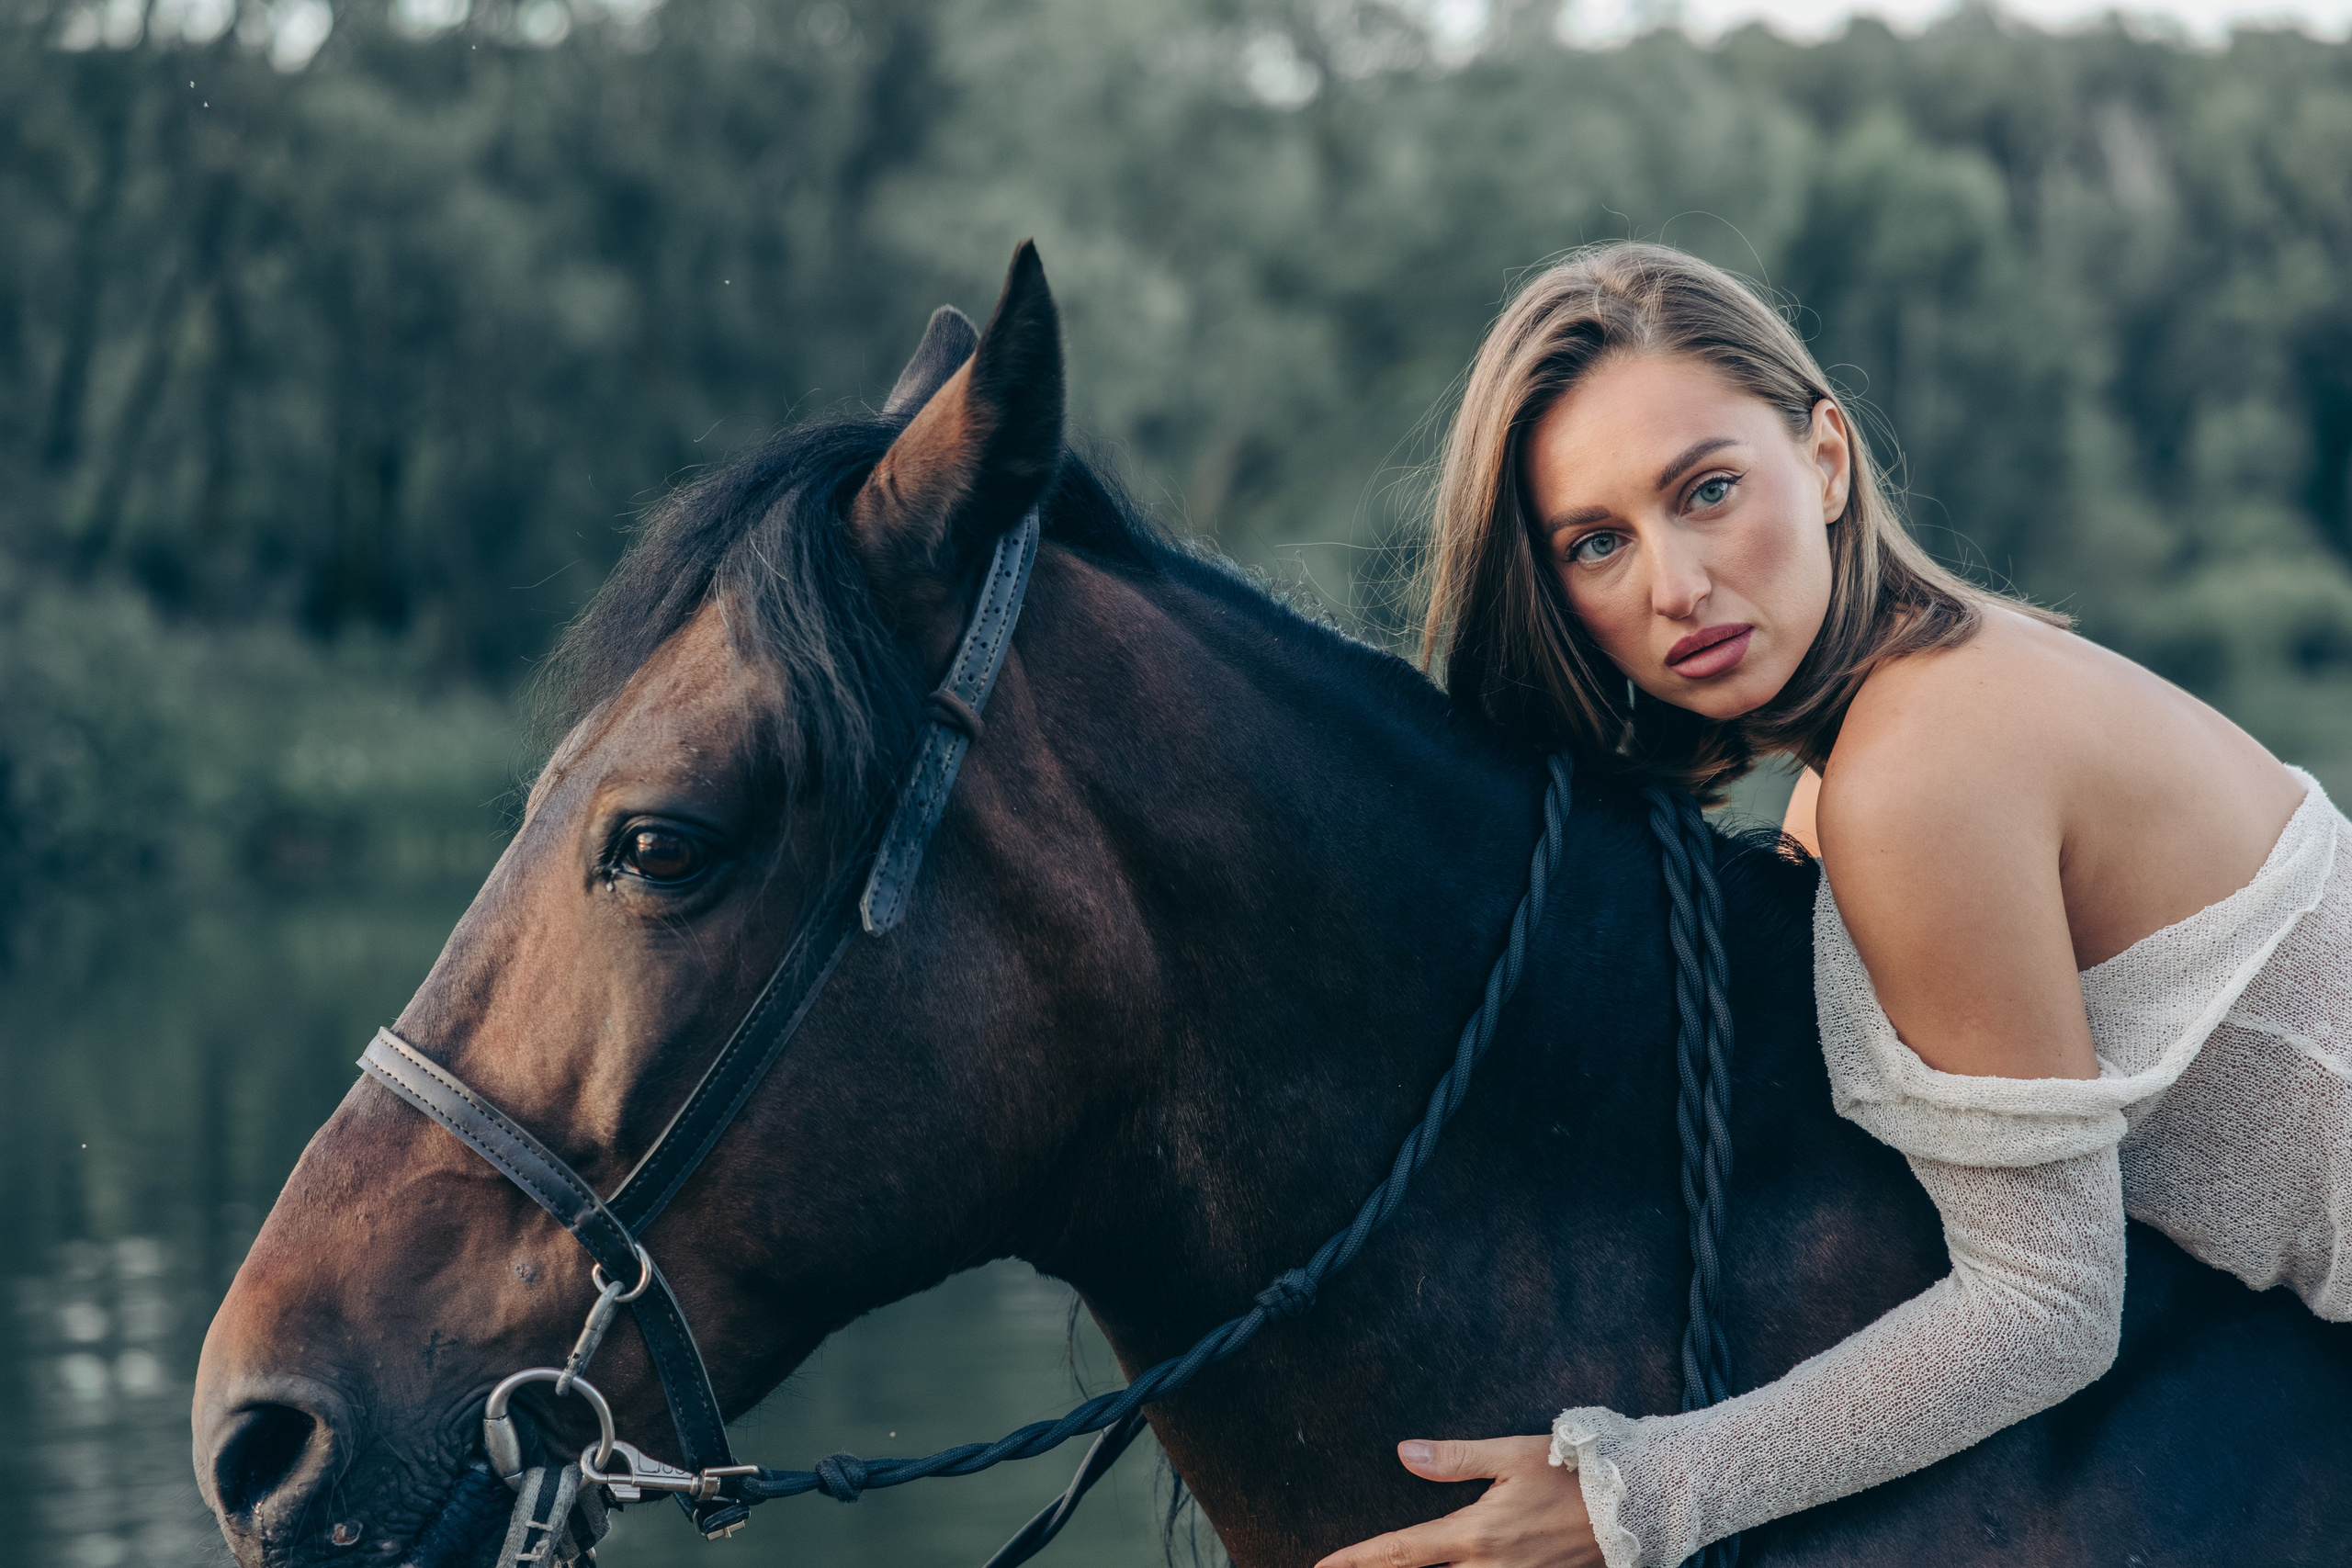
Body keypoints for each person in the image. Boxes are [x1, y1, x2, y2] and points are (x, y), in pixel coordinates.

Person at [1317, 243, 2351, 1568]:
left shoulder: (1921, 771)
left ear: (1825, 458)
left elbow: (2048, 1305)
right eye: (1596, 543)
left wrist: (1633, 1497)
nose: (1673, 586)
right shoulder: (1891, 736)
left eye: (1707, 490)